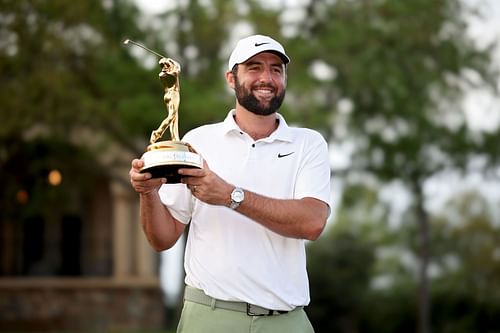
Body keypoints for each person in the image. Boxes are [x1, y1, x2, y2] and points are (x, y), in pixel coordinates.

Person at [129, 34, 331, 333]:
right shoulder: (196, 142)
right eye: (254, 67)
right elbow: (162, 239)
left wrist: (229, 195)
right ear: (231, 78)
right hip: (211, 316)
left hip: (286, 321)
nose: (267, 77)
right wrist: (148, 194)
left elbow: (312, 223)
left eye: (276, 69)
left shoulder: (308, 143)